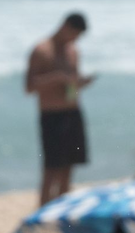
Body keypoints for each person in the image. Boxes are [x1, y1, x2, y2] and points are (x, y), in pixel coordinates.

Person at [26, 13, 94, 207]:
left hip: (73, 112)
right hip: (51, 115)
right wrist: (57, 78)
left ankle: (61, 212)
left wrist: (79, 83)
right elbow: (29, 87)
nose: (75, 39)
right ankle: (43, 212)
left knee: (69, 168)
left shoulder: (73, 51)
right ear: (65, 26)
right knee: (51, 170)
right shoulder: (41, 50)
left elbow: (72, 83)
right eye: (75, 34)